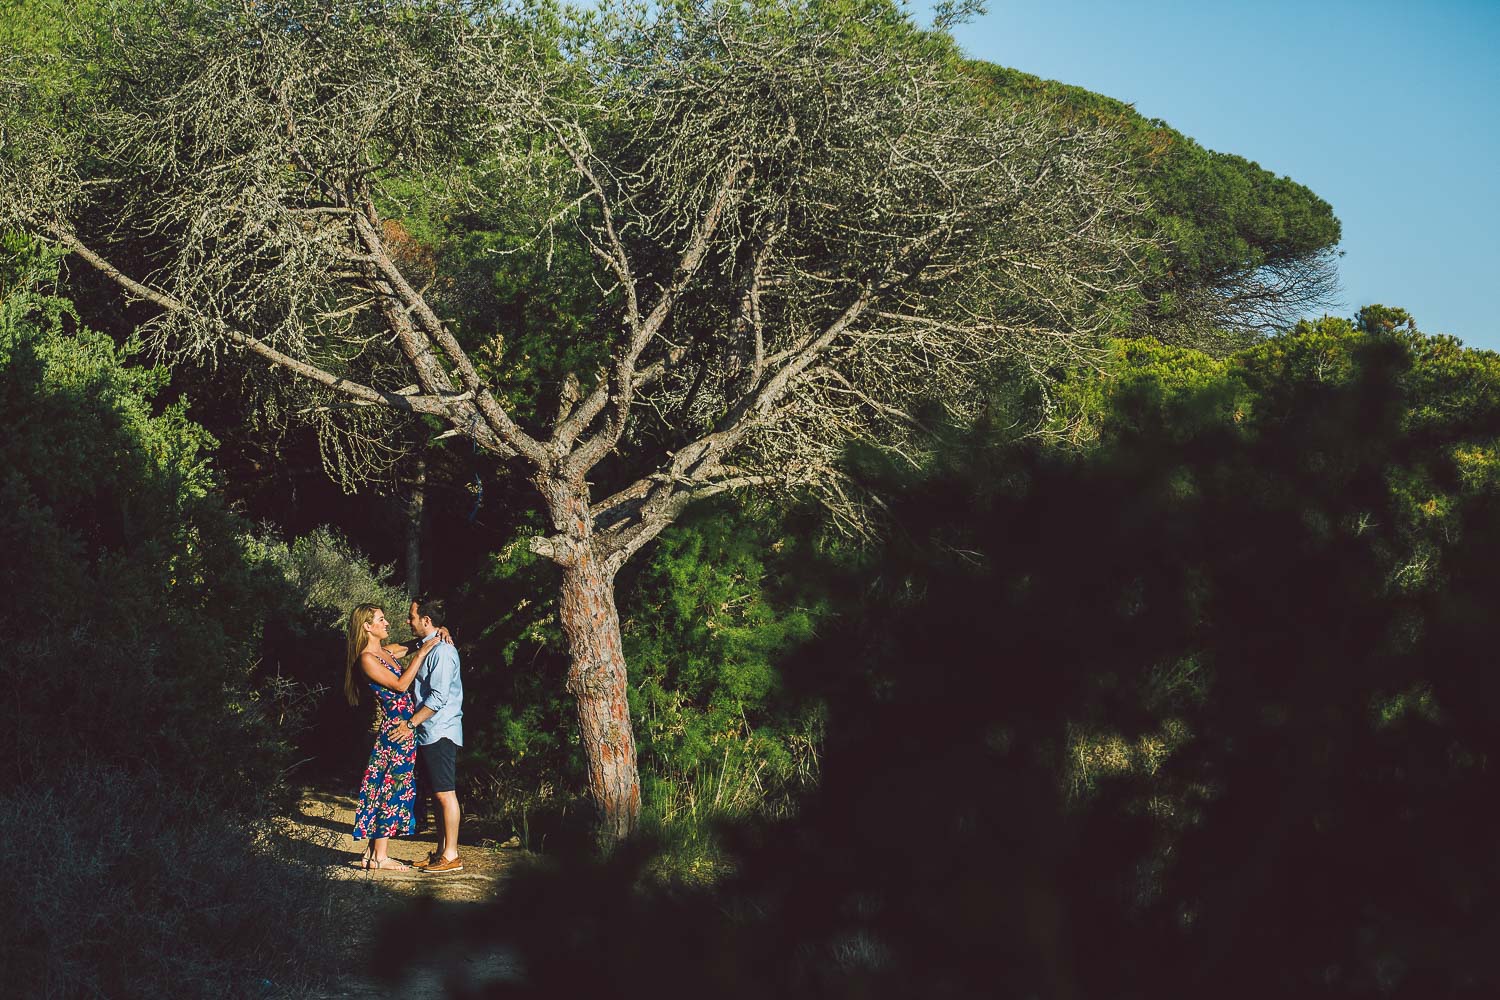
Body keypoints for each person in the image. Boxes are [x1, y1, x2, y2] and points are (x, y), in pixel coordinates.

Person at [344, 603, 443, 870]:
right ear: (367, 626)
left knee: (389, 787)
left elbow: (414, 642)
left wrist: (437, 631)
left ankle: (372, 853)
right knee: (391, 789)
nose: (387, 623)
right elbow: (401, 685)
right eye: (381, 619)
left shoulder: (386, 652)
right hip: (396, 731)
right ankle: (381, 856)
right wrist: (422, 652)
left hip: (404, 730)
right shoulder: (367, 659)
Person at [402, 596, 465, 874]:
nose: (408, 621)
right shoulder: (429, 647)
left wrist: (410, 724)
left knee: (445, 794)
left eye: (412, 617)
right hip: (429, 732)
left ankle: (451, 855)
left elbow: (438, 697)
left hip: (440, 731)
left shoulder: (442, 652)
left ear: (426, 620)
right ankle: (441, 852)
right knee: (438, 795)